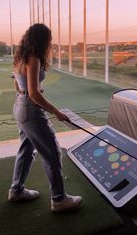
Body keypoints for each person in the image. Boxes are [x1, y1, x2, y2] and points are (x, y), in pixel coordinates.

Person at [8, 23, 82, 212]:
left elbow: (18, 86)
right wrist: (56, 112)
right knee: (52, 153)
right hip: (31, 110)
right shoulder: (34, 58)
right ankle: (59, 199)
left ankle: (16, 191)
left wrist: (29, 91)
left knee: (26, 149)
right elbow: (34, 94)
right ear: (43, 40)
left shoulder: (20, 57)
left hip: (19, 105)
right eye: (49, 39)